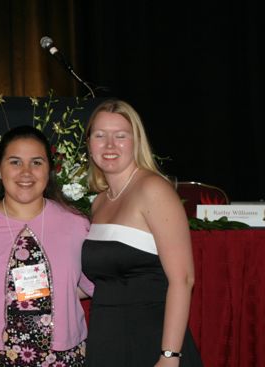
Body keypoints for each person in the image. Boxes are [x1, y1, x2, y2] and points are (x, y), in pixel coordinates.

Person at [0, 125, 93, 366]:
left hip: (63, 357)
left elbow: (96, 284)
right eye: (15, 162)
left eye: (37, 162)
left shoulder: (76, 225)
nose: (26, 172)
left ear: (49, 169)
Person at [81, 99, 203, 366]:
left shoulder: (153, 189)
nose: (110, 145)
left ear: (136, 141)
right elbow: (102, 280)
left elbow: (183, 279)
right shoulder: (99, 201)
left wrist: (169, 355)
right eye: (100, 135)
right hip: (106, 339)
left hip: (152, 341)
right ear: (89, 144)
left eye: (120, 136)